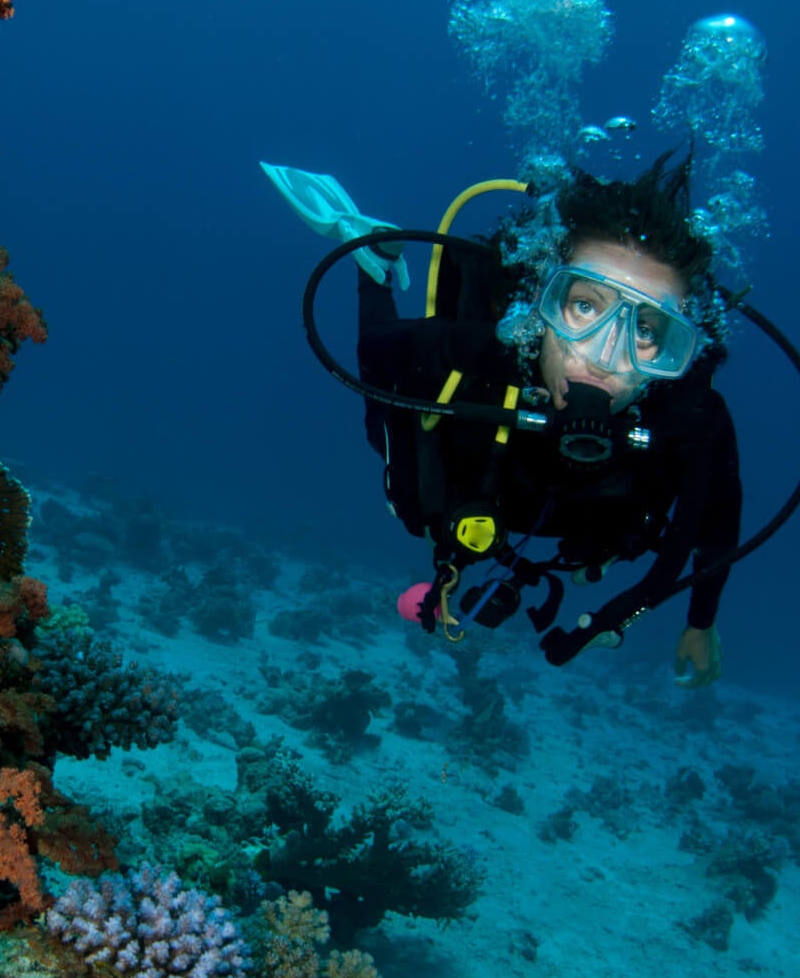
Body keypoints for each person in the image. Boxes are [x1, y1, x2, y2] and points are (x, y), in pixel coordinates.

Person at [279, 154, 741, 685]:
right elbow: (378, 350)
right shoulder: (478, 353)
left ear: (673, 352)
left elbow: (719, 519)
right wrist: (374, 285)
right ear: (545, 297)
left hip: (580, 522)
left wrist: (701, 624)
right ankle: (376, 260)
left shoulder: (690, 420)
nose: (603, 356)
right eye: (585, 307)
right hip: (482, 468)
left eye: (646, 332)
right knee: (403, 480)